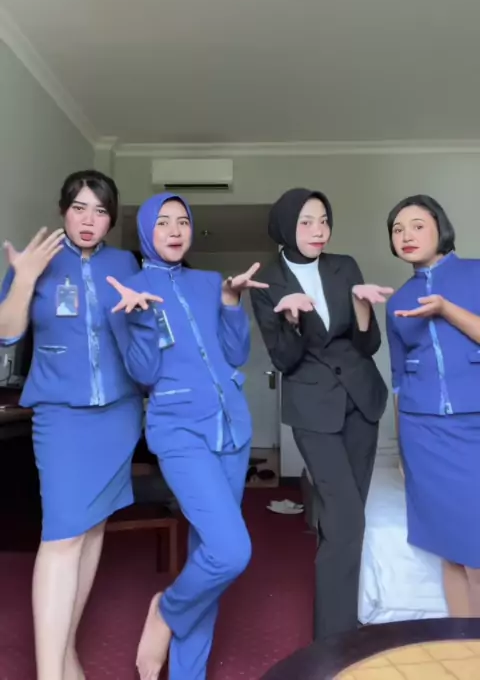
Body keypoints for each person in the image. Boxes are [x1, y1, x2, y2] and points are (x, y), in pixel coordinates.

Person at [107, 192, 267, 680]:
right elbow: (143, 373)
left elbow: (235, 354)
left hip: (232, 428)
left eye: (182, 221)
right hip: (178, 431)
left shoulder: (209, 282)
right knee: (231, 550)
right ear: (146, 231)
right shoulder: (129, 290)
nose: (175, 230)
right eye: (163, 222)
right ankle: (166, 611)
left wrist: (232, 303)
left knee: (207, 555)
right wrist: (137, 317)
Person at [0, 170, 146, 680]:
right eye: (79, 208)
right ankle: (50, 672)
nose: (89, 220)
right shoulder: (38, 260)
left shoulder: (124, 264)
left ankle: (66, 654)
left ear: (111, 219)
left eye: (100, 211)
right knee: (62, 536)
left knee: (91, 529)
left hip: (119, 414)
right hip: (60, 415)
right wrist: (23, 279)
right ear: (63, 209)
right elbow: (7, 333)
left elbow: (141, 332)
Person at [249, 188, 391, 641]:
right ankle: (335, 642)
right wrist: (290, 323)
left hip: (361, 402)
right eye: (307, 221)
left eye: (324, 220)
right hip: (313, 411)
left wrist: (363, 311)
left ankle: (337, 624)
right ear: (285, 226)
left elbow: (368, 345)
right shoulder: (268, 281)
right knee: (348, 520)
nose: (318, 230)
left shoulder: (344, 266)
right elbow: (284, 360)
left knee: (340, 520)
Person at [386, 194, 480, 618]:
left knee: (477, 553)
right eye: (397, 229)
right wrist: (401, 448)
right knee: (450, 550)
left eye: (417, 225)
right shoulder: (398, 300)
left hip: (473, 427)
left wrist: (445, 309)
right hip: (423, 433)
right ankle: (461, 645)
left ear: (440, 228)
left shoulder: (476, 274)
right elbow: (398, 379)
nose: (406, 235)